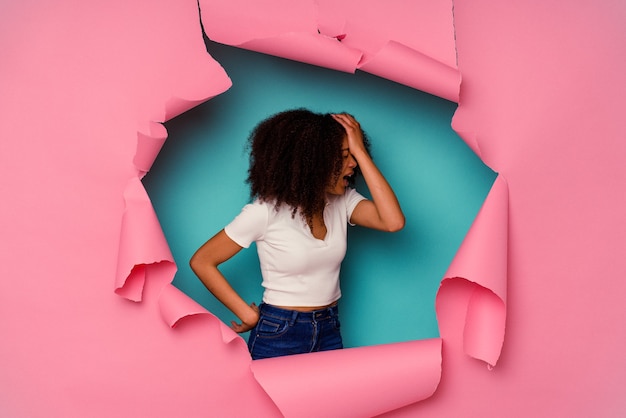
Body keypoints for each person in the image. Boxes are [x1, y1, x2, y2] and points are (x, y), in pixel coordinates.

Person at [190, 109, 404, 360]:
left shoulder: (342, 200)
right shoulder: (265, 211)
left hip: (329, 327)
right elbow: (202, 261)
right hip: (279, 332)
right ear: (315, 162)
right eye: (345, 156)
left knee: (331, 400)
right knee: (268, 400)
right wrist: (246, 314)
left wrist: (360, 152)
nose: (353, 164)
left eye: (354, 154)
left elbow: (392, 222)